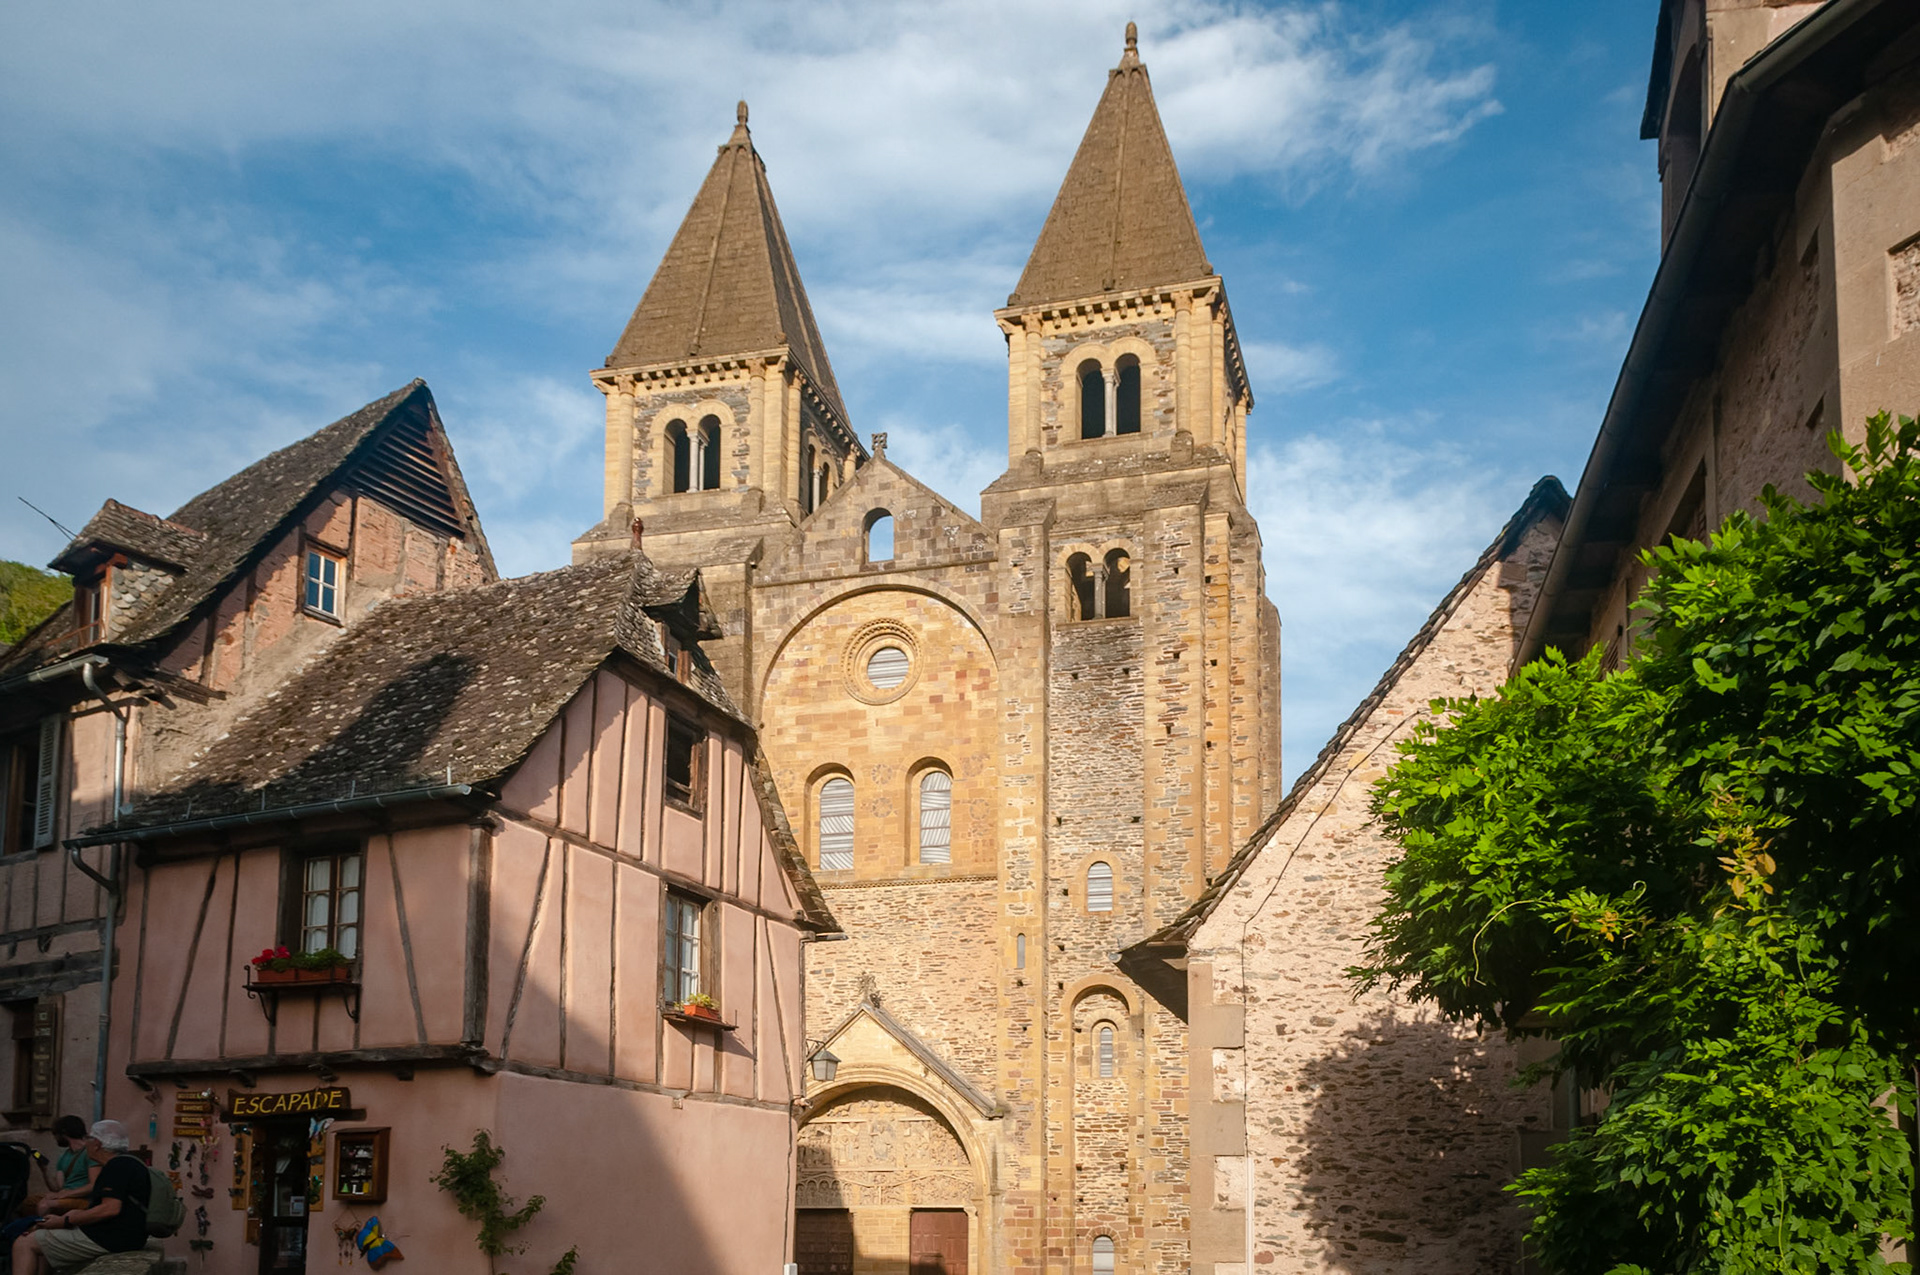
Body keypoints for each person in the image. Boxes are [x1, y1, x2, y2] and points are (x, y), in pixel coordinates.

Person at [10, 1121, 149, 1275]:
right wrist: (70, 1217)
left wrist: (65, 1221)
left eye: (89, 1138)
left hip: (110, 1239)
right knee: (41, 1239)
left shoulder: (116, 1167)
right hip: (124, 1236)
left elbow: (110, 1209)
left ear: (97, 1144)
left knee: (24, 1243)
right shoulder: (130, 1163)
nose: (86, 1142)